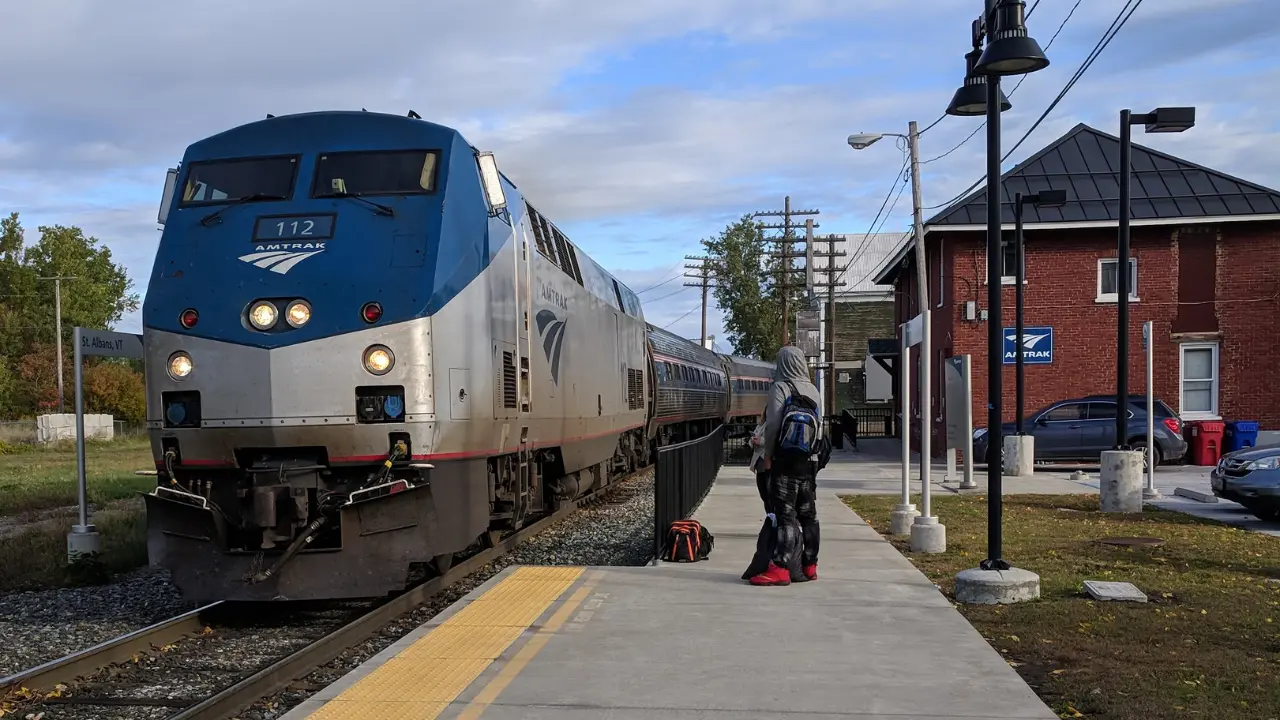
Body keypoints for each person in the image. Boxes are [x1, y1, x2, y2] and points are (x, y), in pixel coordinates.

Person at [748, 345, 821, 586]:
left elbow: (773, 426)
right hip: (809, 462)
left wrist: (768, 456)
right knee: (809, 515)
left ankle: (780, 568)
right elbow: (819, 426)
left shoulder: (780, 387)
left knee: (786, 515)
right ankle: (810, 565)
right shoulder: (813, 389)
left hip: (784, 462)